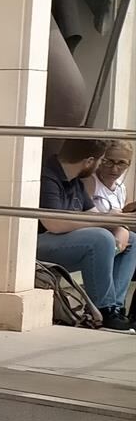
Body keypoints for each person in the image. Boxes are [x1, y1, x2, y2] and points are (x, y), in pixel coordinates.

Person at [39, 137, 135, 331]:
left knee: (133, 240)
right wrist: (108, 220)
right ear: (89, 161)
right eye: (102, 161)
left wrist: (120, 227)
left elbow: (94, 215)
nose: (101, 166)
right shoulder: (48, 177)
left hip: (63, 244)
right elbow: (53, 223)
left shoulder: (74, 181)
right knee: (101, 238)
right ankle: (103, 310)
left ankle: (114, 308)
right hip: (36, 247)